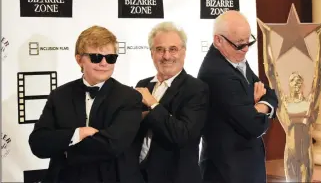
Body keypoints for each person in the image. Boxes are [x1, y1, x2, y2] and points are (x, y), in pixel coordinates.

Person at [29, 26, 144, 183]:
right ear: (79, 59)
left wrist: (66, 151)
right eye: (96, 57)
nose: (104, 63)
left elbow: (113, 145)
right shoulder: (59, 95)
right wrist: (78, 134)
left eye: (110, 58)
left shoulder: (129, 97)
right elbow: (38, 143)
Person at [197, 11, 278, 183]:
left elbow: (270, 93)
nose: (246, 49)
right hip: (227, 171)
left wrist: (258, 106)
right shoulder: (216, 73)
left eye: (249, 42)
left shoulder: (234, 56)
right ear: (218, 40)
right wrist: (258, 107)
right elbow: (254, 125)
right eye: (240, 44)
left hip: (244, 167)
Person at [134, 21, 209, 183]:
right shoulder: (143, 84)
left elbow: (182, 135)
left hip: (176, 178)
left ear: (184, 52)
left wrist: (153, 104)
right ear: (151, 53)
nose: (166, 56)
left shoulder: (196, 88)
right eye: (159, 49)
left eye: (173, 49)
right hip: (140, 175)